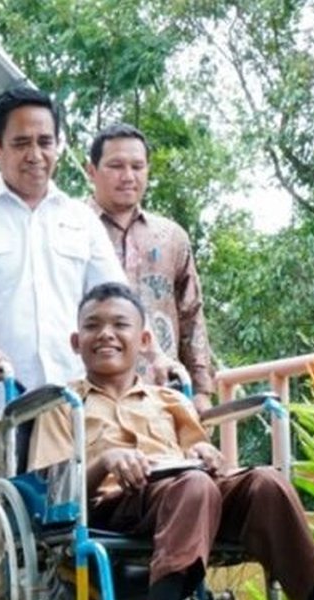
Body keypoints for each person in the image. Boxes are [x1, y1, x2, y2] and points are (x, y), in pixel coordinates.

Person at [29, 282, 314, 600]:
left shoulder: (170, 401)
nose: (106, 333)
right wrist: (105, 461)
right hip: (111, 508)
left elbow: (205, 458)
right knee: (192, 485)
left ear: (143, 341)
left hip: (189, 497)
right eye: (93, 326)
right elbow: (54, 495)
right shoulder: (62, 405)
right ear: (75, 341)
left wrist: (206, 453)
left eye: (120, 324)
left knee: (267, 482)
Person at [0, 86, 125, 484]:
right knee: (1, 530)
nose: (35, 155)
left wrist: (152, 357)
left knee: (73, 524)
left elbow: (117, 301)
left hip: (72, 402)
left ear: (58, 145)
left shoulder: (80, 218)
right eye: (21, 143)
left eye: (45, 142)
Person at [86, 123, 215, 410]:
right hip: (94, 397)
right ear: (91, 171)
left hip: (164, 392)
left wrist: (202, 391)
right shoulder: (70, 228)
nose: (128, 176)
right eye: (116, 165)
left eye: (137, 166)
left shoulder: (171, 237)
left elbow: (191, 315)